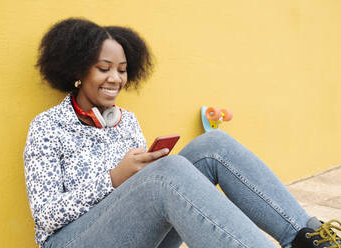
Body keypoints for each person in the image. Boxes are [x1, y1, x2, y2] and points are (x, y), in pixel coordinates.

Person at [23, 17, 340, 248]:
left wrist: (143, 172)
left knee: (212, 145)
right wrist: (114, 178)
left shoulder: (126, 120)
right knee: (167, 173)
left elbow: (140, 200)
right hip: (72, 241)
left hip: (135, 236)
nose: (115, 79)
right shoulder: (47, 127)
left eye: (122, 70)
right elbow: (46, 216)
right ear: (78, 70)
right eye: (103, 68)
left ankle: (311, 240)